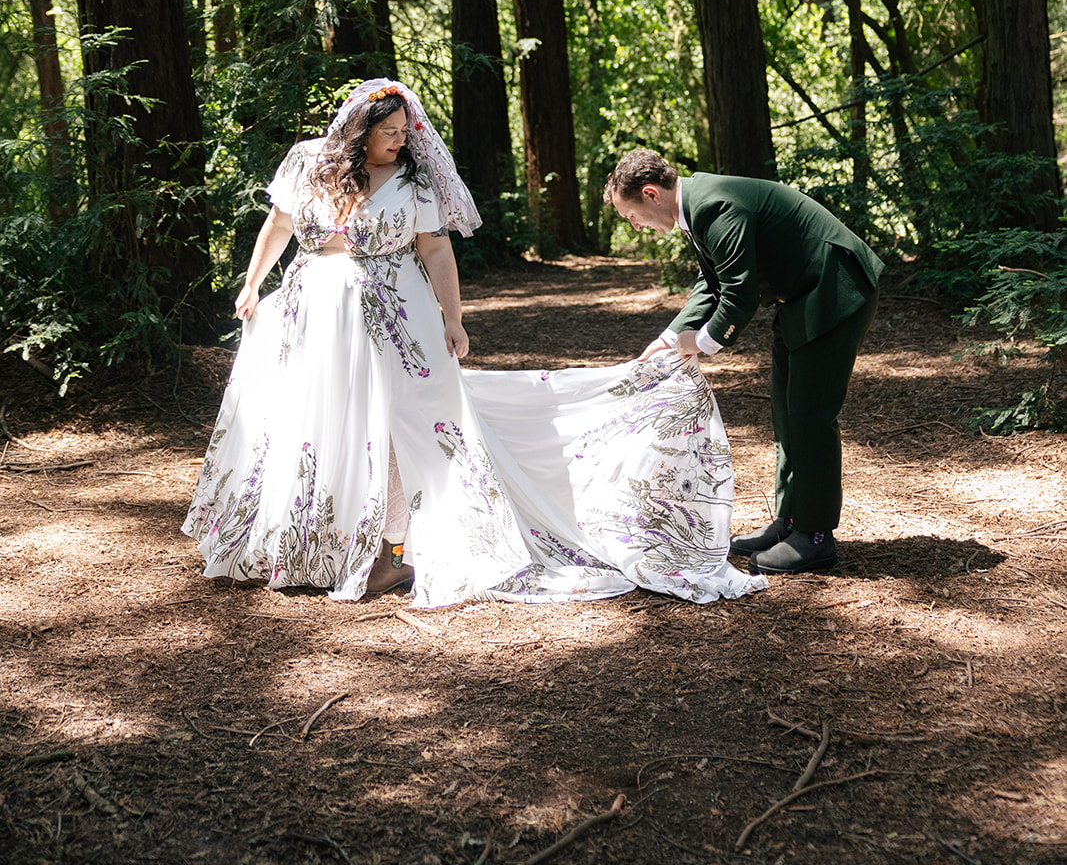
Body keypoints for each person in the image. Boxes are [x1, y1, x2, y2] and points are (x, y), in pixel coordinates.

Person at [183, 82, 768, 608]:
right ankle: (311, 543)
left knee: (401, 424)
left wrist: (453, 319)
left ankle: (389, 553)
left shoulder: (414, 181)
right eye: (387, 134)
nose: (398, 143)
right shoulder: (309, 161)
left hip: (394, 317)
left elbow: (437, 252)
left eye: (404, 134)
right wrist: (253, 281)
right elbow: (280, 224)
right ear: (359, 131)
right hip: (313, 312)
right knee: (317, 422)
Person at [604, 150, 884, 575]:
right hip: (803, 296)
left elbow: (739, 295)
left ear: (650, 194)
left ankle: (815, 536)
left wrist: (698, 343)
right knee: (787, 413)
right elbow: (712, 281)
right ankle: (790, 521)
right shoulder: (696, 207)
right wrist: (667, 338)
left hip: (834, 289)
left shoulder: (714, 205)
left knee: (810, 415)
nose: (636, 225)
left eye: (632, 215)